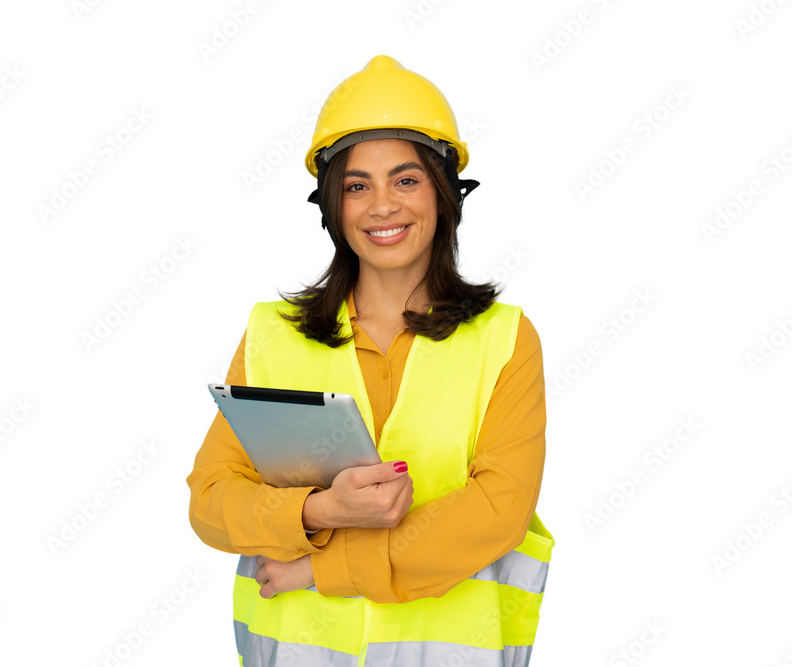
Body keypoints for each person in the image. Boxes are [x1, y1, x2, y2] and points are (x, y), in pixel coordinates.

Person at [187, 55, 554, 666]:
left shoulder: (506, 339)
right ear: (334, 207)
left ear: (444, 196)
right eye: (358, 186)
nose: (382, 205)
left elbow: (495, 514)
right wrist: (320, 508)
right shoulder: (272, 336)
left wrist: (321, 567)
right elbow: (210, 504)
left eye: (406, 180)